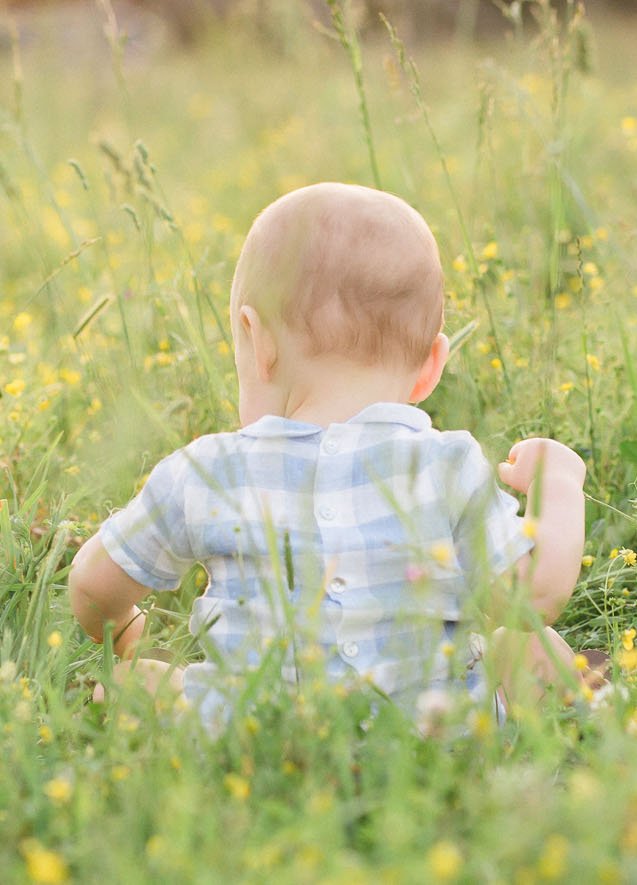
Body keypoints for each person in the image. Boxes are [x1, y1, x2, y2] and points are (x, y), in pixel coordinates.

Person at [68, 182, 592, 724]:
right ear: (431, 366)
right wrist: (557, 483)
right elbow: (538, 593)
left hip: (256, 741)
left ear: (257, 340)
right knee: (529, 642)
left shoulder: (204, 472)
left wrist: (128, 630)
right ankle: (591, 708)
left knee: (133, 686)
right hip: (435, 738)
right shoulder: (446, 469)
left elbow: (91, 586)